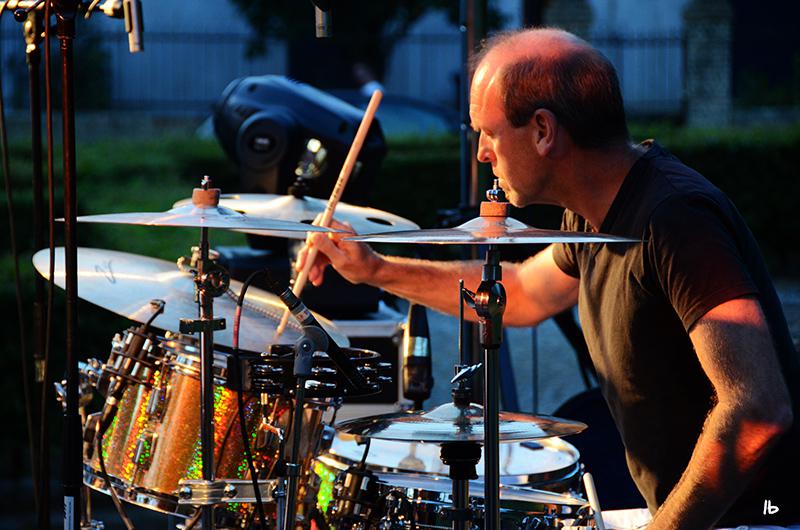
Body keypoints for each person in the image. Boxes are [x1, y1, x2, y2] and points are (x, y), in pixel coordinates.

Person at [298, 28, 800, 529]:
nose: (482, 153)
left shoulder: (674, 218)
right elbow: (520, 294)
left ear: (543, 130)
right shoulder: (595, 210)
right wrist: (374, 269)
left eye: (488, 133)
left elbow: (758, 409)